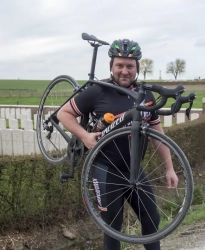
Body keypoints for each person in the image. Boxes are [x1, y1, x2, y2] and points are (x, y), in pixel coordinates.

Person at [57, 38, 178, 250]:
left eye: (130, 66)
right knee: (113, 228)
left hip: (134, 171)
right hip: (105, 170)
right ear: (111, 67)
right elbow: (63, 113)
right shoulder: (98, 91)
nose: (124, 71)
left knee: (152, 219)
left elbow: (157, 134)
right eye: (119, 65)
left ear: (137, 68)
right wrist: (85, 136)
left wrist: (169, 168)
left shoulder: (146, 95)